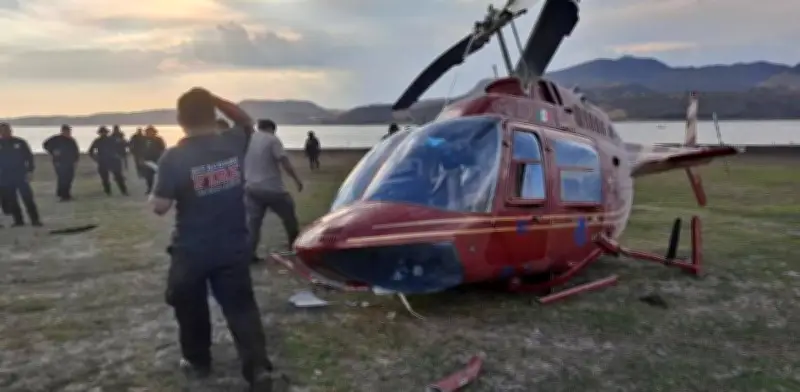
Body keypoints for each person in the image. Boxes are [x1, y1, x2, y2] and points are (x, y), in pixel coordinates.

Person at [148, 87, 274, 391]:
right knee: (241, 307)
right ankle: (258, 369)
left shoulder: (173, 156)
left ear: (180, 119)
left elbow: (160, 207)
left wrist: (154, 193)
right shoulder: (232, 142)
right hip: (232, 244)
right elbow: (246, 120)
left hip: (192, 248)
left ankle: (198, 362)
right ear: (212, 115)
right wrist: (215, 99)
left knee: (189, 306)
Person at [244, 119, 303, 262]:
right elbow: (283, 160)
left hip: (251, 188)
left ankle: (249, 254)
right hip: (272, 188)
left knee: (253, 223)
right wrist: (296, 180)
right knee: (289, 217)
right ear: (272, 128)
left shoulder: (248, 139)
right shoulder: (272, 140)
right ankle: (295, 247)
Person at [0, 123, 42, 227]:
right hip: (5, 177)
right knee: (12, 200)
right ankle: (18, 220)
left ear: (11, 130)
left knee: (27, 198)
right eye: (3, 130)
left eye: (8, 130)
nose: (6, 132)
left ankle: (35, 220)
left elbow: (29, 157)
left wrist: (30, 171)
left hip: (20, 174)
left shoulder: (20, 142)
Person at [43, 124, 80, 201]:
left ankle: (62, 192)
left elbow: (76, 151)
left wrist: (76, 161)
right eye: (67, 131)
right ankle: (65, 196)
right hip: (59, 162)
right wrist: (52, 151)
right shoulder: (56, 139)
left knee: (69, 178)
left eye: (69, 131)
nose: (68, 133)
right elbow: (45, 144)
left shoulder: (71, 140)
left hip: (70, 162)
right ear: (63, 131)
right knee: (63, 178)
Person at [88, 126, 128, 196]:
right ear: (100, 133)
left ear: (106, 133)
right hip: (103, 161)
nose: (103, 134)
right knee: (105, 178)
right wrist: (96, 158)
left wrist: (119, 155)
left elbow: (122, 146)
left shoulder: (112, 139)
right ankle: (108, 192)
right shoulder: (97, 141)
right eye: (102, 132)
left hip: (113, 160)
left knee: (118, 177)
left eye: (104, 132)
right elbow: (91, 151)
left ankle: (124, 191)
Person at [140, 126, 166, 194]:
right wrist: (141, 158)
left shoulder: (158, 139)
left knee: (160, 175)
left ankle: (160, 189)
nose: (149, 133)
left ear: (154, 132)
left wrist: (162, 158)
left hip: (157, 159)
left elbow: (163, 149)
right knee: (148, 176)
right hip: (147, 160)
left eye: (150, 132)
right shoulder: (143, 140)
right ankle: (149, 189)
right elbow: (140, 150)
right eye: (147, 132)